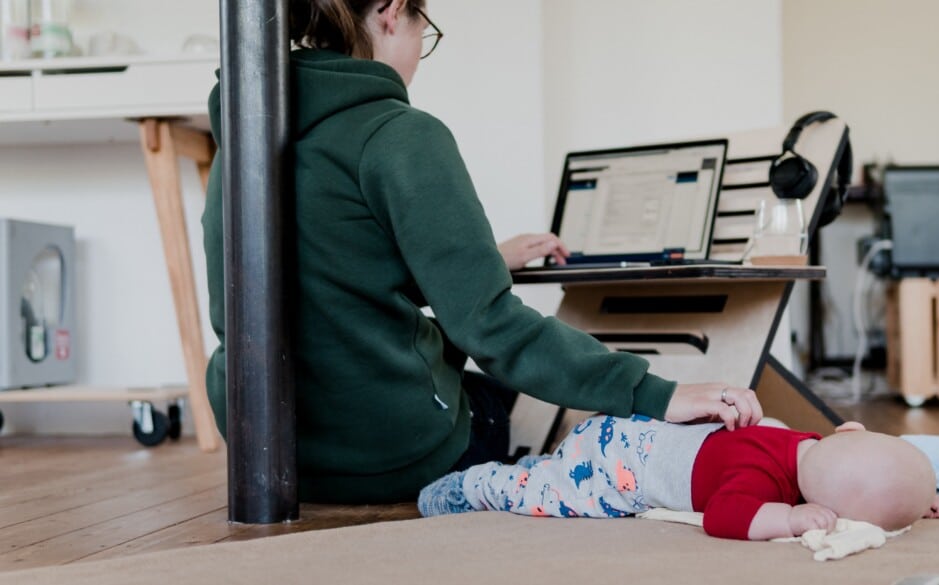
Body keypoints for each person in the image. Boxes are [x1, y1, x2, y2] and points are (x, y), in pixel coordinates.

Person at [200, 0, 763, 504]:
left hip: (270, 453)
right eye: (427, 30)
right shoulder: (398, 132)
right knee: (496, 399)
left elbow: (334, 268)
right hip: (383, 457)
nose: (421, 51)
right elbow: (490, 328)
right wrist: (654, 393)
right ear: (393, 12)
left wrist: (485, 258)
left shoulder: (247, 136)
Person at [418, 418, 939, 540]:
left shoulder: (807, 440)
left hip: (624, 434)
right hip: (614, 471)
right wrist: (789, 518)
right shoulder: (758, 480)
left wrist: (920, 500)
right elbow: (724, 518)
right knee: (547, 498)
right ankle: (475, 485)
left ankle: (541, 466)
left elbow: (869, 471)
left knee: (554, 468)